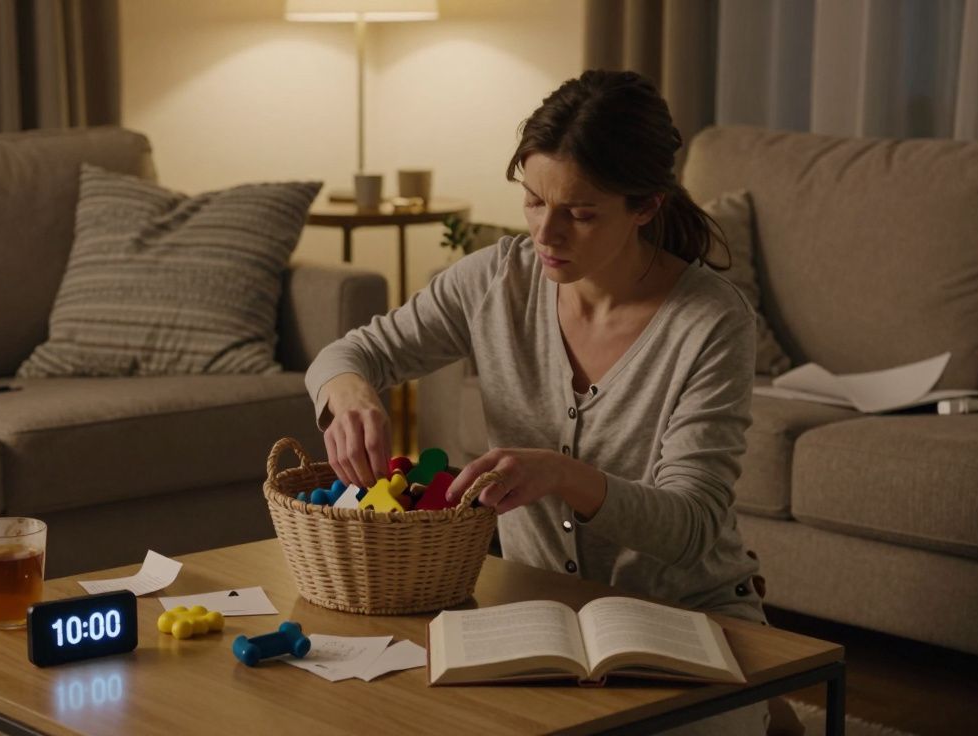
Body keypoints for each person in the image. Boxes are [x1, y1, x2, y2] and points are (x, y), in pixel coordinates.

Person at [304, 70, 769, 734]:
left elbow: (691, 526)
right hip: (537, 614)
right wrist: (347, 392)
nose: (545, 234)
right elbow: (347, 356)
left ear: (646, 206)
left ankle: (766, 709)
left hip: (686, 617)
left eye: (580, 214)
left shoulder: (712, 323)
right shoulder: (496, 279)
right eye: (531, 201)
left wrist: (563, 475)